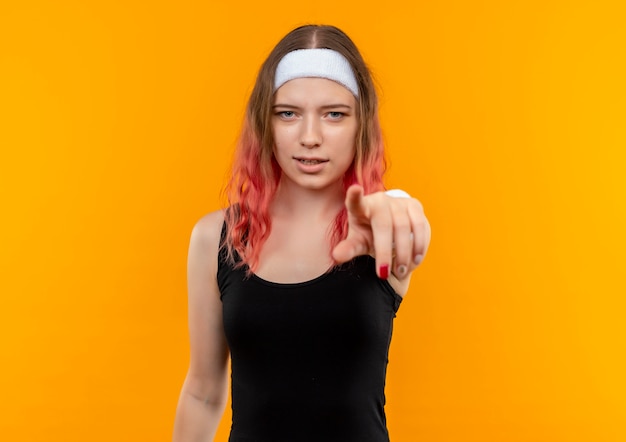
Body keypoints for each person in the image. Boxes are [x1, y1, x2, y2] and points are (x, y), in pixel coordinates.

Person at [172, 24, 431, 442]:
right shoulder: (216, 238)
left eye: (334, 114)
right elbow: (202, 394)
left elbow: (411, 222)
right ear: (265, 123)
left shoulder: (382, 232)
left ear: (361, 124)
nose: (310, 138)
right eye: (288, 113)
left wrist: (400, 203)